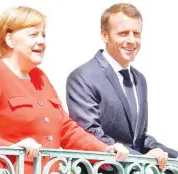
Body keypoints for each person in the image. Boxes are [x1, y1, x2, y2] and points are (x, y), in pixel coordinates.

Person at [0, 6, 129, 174]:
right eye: (33, 34)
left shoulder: (40, 77)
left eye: (43, 35)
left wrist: (104, 150)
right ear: (10, 40)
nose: (42, 41)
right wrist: (12, 149)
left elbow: (66, 130)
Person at [66, 2, 178, 174]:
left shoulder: (140, 80)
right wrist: (143, 160)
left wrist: (163, 153)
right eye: (123, 33)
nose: (132, 40)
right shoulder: (82, 77)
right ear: (105, 35)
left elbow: (137, 138)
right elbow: (92, 134)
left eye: (137, 33)